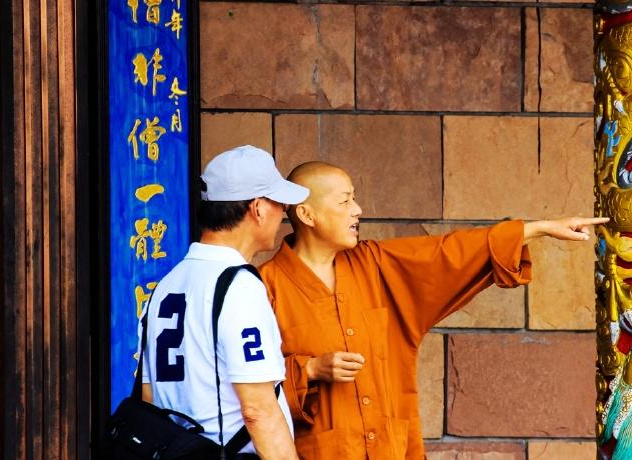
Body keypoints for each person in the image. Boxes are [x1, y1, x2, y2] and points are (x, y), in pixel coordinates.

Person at [258, 161, 609, 459]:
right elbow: (246, 392)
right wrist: (310, 370)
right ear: (306, 214)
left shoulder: (375, 266)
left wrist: (536, 230)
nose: (357, 210)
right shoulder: (264, 287)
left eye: (355, 198)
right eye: (345, 201)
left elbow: (448, 254)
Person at [141, 145, 307, 459]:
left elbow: (149, 397)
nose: (283, 211)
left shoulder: (167, 285)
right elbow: (258, 410)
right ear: (257, 208)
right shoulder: (238, 286)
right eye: (278, 202)